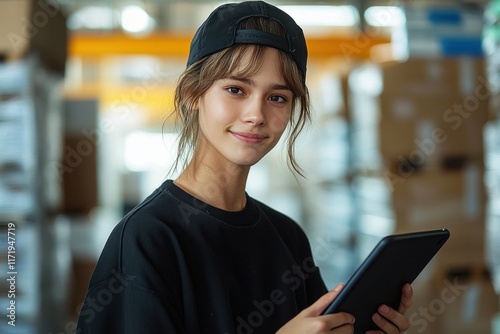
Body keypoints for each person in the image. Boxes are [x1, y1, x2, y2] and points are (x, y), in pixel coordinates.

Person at [76, 1, 413, 333]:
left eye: (277, 97)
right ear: (194, 92)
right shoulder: (147, 240)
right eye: (236, 89)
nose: (256, 115)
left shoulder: (288, 238)